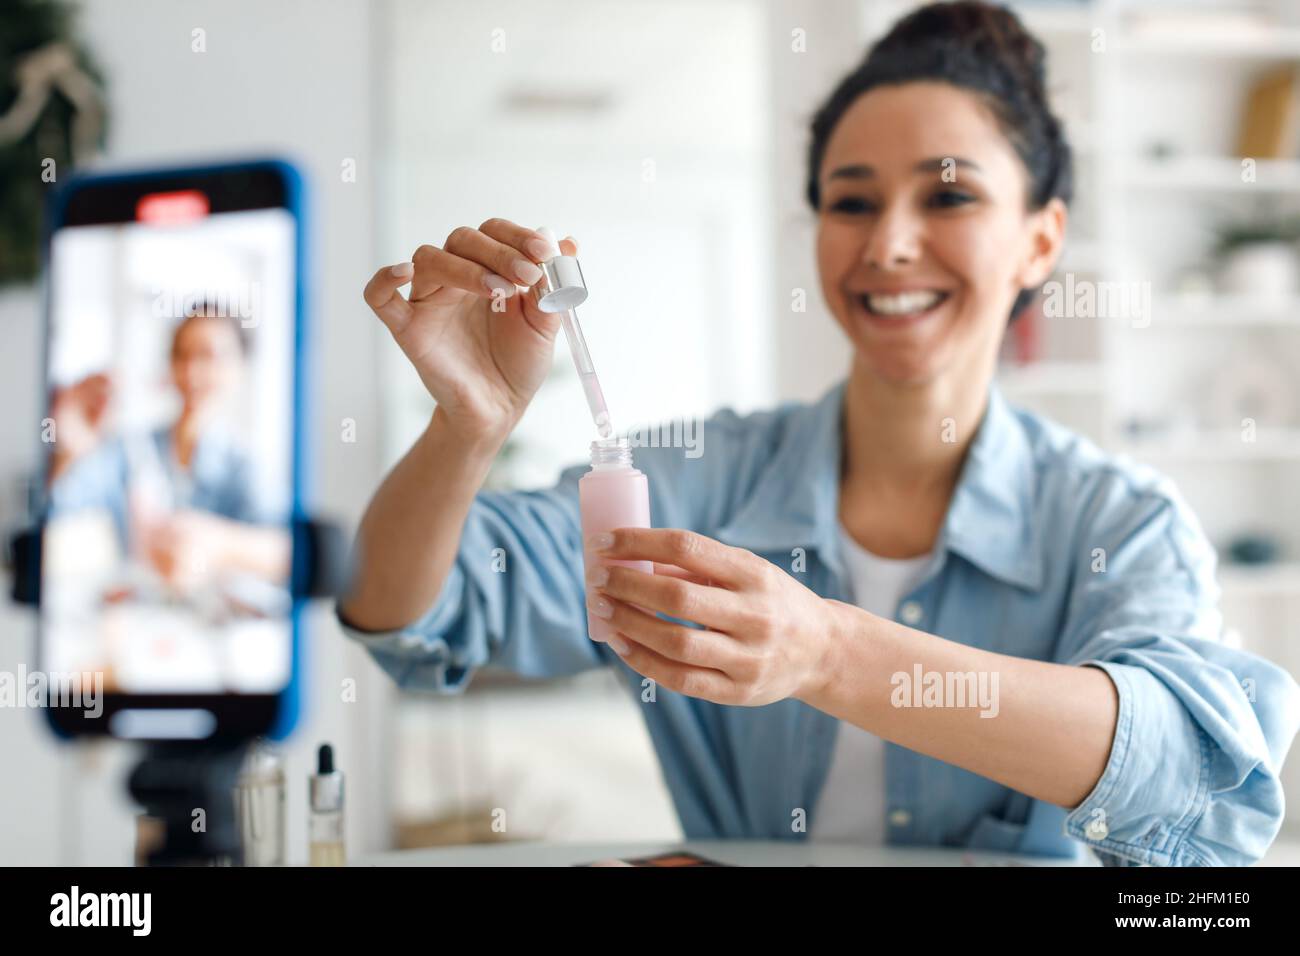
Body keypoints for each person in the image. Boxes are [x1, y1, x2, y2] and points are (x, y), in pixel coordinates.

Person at [339, 1, 1299, 865]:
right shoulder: (696, 479)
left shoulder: (1116, 520)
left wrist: (830, 652)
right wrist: (467, 427)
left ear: (1041, 240)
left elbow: (1196, 795)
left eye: (949, 195)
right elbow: (407, 610)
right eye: (851, 200)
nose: (888, 243)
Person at [48, 303, 289, 593]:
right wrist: (73, 446)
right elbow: (58, 505)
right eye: (181, 355)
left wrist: (219, 544)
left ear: (239, 367)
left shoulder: (248, 466)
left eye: (208, 355)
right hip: (136, 627)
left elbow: (286, 554)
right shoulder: (131, 449)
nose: (192, 371)